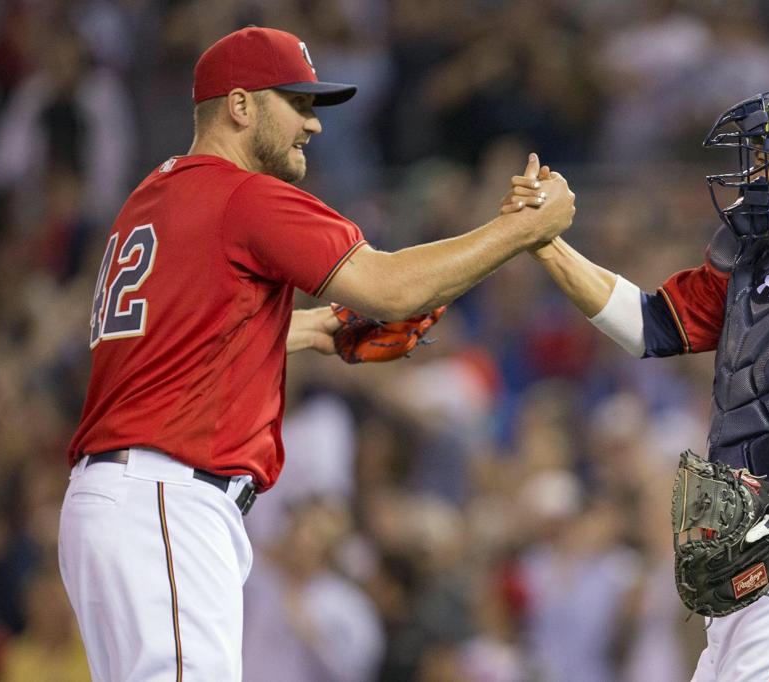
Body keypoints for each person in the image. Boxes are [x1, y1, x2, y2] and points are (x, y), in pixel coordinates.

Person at [58, 26, 575, 681]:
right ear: (240, 106)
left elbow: (175, 343)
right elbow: (390, 288)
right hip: (164, 498)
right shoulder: (241, 194)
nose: (314, 125)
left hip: (119, 501)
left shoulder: (152, 198)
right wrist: (522, 229)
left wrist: (306, 330)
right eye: (297, 103)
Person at [507, 82, 769, 680]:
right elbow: (652, 325)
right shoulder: (757, 267)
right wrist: (546, 245)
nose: (754, 175)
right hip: (755, 573)